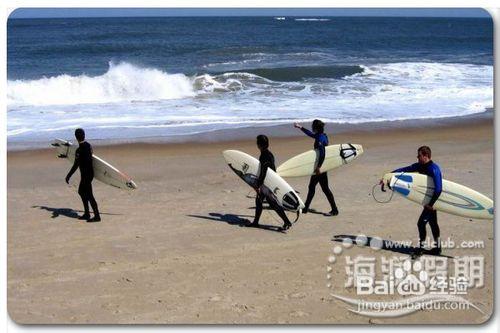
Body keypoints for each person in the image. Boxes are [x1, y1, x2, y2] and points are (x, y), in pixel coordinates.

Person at [389, 146, 442, 255]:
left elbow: (438, 189)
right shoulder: (420, 166)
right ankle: (437, 248)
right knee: (433, 223)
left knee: (421, 223)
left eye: (419, 155)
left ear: (426, 156)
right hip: (427, 200)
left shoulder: (434, 169)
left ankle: (421, 248)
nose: (417, 157)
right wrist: (389, 176)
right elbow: (405, 170)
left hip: (433, 201)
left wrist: (430, 204)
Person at [294, 120, 339, 216]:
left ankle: (334, 210)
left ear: (316, 128)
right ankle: (307, 208)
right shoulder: (322, 135)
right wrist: (300, 127)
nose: (311, 127)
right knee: (317, 187)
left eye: (312, 126)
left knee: (320, 188)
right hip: (322, 167)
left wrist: (318, 167)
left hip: (320, 168)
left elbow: (322, 153)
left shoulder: (319, 139)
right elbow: (310, 134)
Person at [252, 135, 292, 230]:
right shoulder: (269, 154)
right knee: (259, 201)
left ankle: (287, 221)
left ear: (259, 145)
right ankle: (256, 222)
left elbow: (263, 171)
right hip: (270, 181)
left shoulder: (264, 156)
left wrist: (258, 185)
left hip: (267, 183)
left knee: (272, 203)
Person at [65, 128, 101, 222]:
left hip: (85, 175)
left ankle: (96, 216)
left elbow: (76, 165)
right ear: (84, 135)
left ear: (76, 137)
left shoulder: (79, 150)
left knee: (89, 195)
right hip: (90, 173)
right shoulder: (89, 146)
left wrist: (68, 175)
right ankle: (87, 213)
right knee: (82, 192)